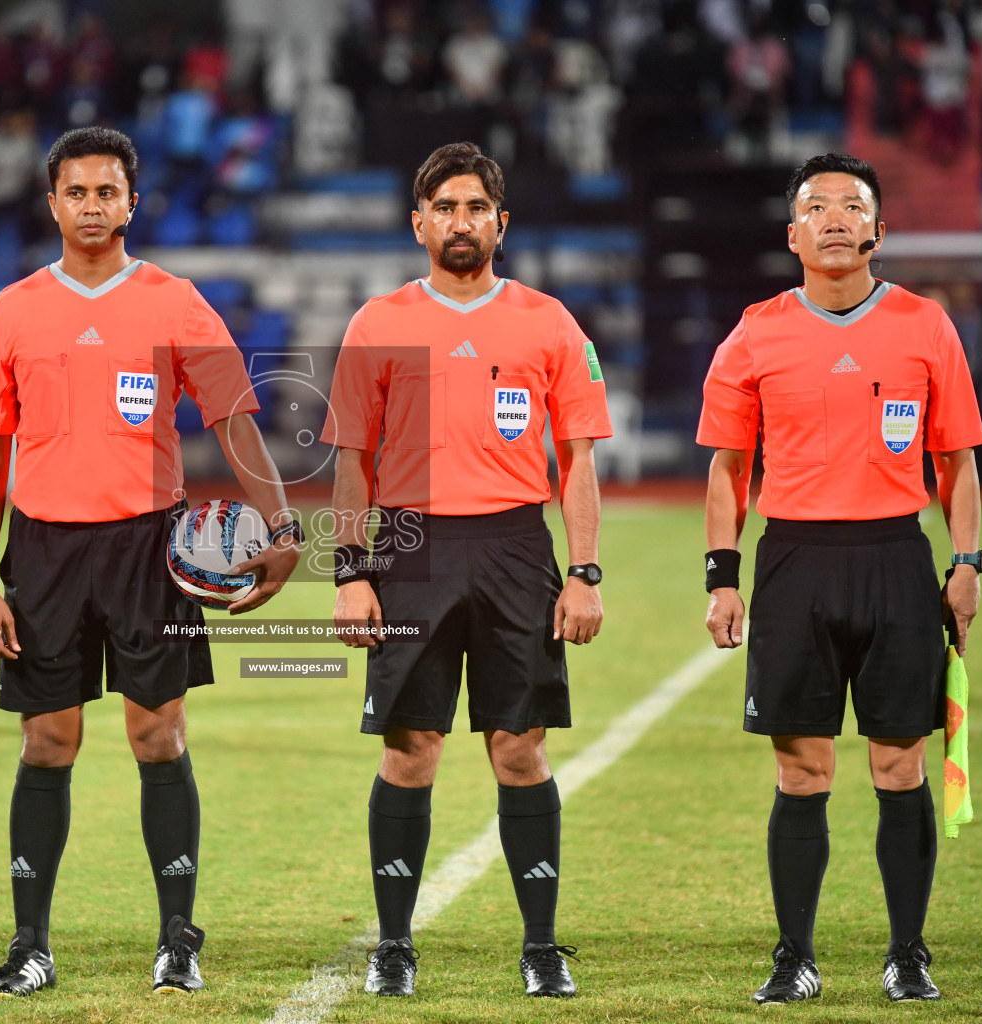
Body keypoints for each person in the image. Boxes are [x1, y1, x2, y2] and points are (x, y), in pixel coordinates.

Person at [0, 126, 301, 998]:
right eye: (76, 192)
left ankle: (177, 940)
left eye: (107, 192)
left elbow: (234, 421)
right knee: (49, 740)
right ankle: (29, 944)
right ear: (53, 204)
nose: (91, 206)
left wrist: (282, 525)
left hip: (151, 547)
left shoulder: (177, 302)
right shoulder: (10, 311)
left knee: (158, 734)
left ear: (132, 203)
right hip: (42, 551)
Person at [322, 141, 611, 1000]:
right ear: (419, 224)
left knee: (519, 750)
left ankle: (542, 946)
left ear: (501, 223)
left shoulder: (549, 322)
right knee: (411, 750)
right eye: (444, 208)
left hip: (517, 548)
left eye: (475, 208)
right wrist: (348, 570)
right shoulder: (377, 323)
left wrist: (586, 572)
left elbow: (578, 462)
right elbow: (350, 462)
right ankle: (395, 945)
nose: (460, 222)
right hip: (407, 548)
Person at [697, 153, 982, 1005]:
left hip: (897, 560)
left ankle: (908, 954)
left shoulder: (927, 326)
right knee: (802, 772)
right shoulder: (754, 332)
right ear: (792, 234)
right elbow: (727, 467)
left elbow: (958, 461)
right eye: (815, 207)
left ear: (878, 232)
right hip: (793, 562)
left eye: (850, 207)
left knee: (901, 767)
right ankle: (795, 957)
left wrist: (965, 564)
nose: (833, 219)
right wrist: (722, 579)